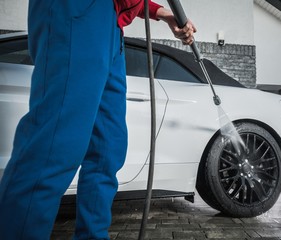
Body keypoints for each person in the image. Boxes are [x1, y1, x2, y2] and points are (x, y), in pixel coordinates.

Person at [0, 0, 196, 239]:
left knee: (108, 147)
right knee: (57, 144)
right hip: (79, 9)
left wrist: (163, 14)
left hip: (112, 22)